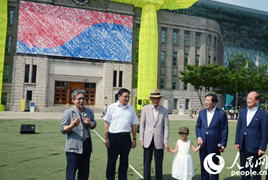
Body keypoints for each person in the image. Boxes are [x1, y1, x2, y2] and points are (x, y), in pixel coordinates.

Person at [60, 89, 97, 180]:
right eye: (79, 99)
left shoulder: (89, 111)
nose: (81, 101)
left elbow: (94, 124)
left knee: (84, 172)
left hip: (86, 145)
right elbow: (62, 129)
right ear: (73, 100)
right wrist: (72, 125)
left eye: (83, 99)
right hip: (73, 147)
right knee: (71, 173)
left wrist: (89, 123)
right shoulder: (69, 112)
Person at [104, 88, 138, 180]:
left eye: (128, 97)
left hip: (126, 138)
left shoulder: (131, 110)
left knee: (124, 162)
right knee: (111, 162)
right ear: (119, 96)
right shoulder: (112, 107)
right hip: (113, 137)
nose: (127, 99)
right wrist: (106, 138)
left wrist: (134, 139)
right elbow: (107, 123)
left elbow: (134, 125)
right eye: (125, 97)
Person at [235, 91, 268, 180]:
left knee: (255, 171)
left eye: (250, 98)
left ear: (257, 101)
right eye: (247, 98)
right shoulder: (243, 112)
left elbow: (265, 132)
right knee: (244, 170)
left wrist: (262, 147)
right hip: (243, 146)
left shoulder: (263, 114)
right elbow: (239, 128)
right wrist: (237, 142)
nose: (247, 100)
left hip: (255, 148)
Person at [195, 93, 228, 180]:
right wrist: (198, 137)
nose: (205, 102)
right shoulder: (202, 113)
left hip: (215, 144)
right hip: (202, 144)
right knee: (203, 166)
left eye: (207, 101)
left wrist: (223, 144)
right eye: (205, 100)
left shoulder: (221, 114)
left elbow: (224, 129)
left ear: (214, 103)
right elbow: (198, 126)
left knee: (214, 167)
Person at [139, 89, 169, 180]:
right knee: (147, 163)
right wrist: (141, 139)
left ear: (160, 99)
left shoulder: (164, 110)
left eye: (157, 98)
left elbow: (166, 127)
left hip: (159, 140)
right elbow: (142, 125)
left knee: (159, 163)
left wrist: (166, 140)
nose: (155, 100)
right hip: (147, 140)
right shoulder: (145, 109)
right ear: (151, 99)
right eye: (153, 98)